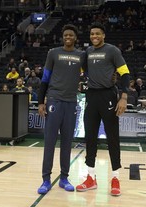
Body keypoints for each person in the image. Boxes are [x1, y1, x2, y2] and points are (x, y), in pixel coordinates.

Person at [76, 22, 130, 197]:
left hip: (108, 96)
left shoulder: (112, 50)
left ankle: (115, 178)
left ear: (103, 35)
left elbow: (125, 73)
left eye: (97, 34)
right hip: (91, 96)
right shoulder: (87, 53)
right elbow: (80, 71)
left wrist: (123, 97)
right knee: (90, 137)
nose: (94, 37)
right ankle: (91, 177)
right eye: (92, 34)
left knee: (112, 138)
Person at [37, 24, 85, 194]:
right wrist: (40, 102)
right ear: (62, 37)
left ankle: (64, 178)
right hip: (54, 100)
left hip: (71, 102)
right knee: (49, 142)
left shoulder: (81, 55)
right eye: (65, 35)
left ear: (75, 37)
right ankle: (45, 180)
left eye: (71, 35)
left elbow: (91, 73)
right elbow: (45, 78)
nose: (68, 37)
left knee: (67, 143)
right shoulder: (53, 53)